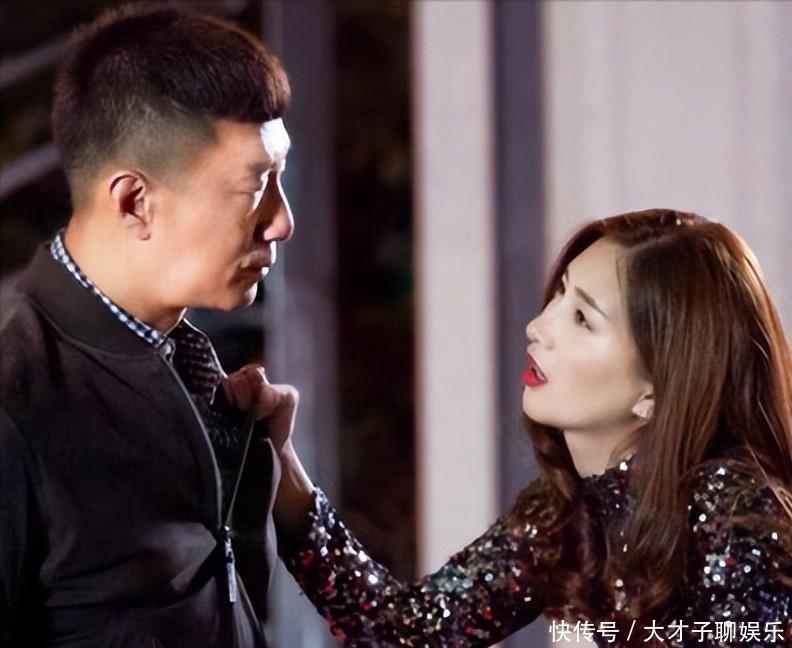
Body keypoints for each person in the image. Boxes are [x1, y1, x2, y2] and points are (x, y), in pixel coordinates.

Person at [242, 209, 792, 647]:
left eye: (582, 319)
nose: (537, 327)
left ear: (657, 387)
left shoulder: (734, 508)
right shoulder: (568, 512)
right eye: (559, 296)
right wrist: (282, 466)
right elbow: (409, 631)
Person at [0, 5, 296, 647]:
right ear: (135, 201)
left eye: (279, 178)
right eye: (255, 187)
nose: (281, 222)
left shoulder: (194, 372)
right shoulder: (17, 403)